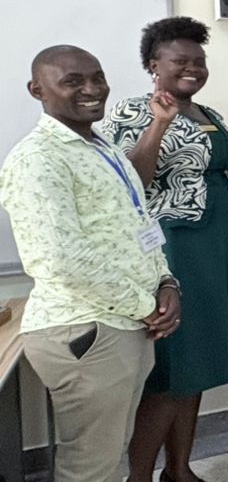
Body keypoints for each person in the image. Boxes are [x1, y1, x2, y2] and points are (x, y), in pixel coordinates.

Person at [0, 46, 179, 482]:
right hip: (87, 328)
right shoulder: (38, 158)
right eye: (73, 81)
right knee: (90, 468)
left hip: (124, 321)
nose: (91, 89)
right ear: (37, 90)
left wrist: (166, 283)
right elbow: (60, 260)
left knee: (109, 456)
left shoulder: (101, 146)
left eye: (97, 78)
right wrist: (146, 306)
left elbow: (137, 222)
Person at [103, 17, 228, 482]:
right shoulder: (134, 112)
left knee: (199, 365)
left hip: (220, 242)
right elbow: (130, 185)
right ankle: (138, 476)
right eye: (180, 61)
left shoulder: (206, 113)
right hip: (176, 247)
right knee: (175, 370)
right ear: (154, 65)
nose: (193, 68)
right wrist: (159, 123)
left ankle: (179, 470)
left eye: (199, 61)